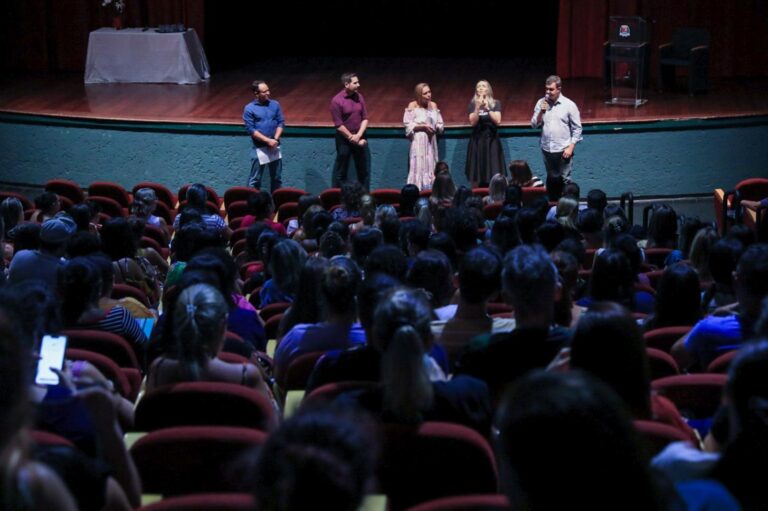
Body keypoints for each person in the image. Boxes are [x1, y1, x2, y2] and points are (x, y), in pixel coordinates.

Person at [531, 75, 583, 201]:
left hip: (563, 150)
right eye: (546, 89)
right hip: (546, 149)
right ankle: (552, 207)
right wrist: (541, 113)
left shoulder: (569, 105)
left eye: (551, 89)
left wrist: (571, 147)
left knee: (564, 180)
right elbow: (534, 124)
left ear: (559, 88)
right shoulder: (541, 103)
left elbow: (577, 128)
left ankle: (566, 207)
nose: (548, 92)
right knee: (551, 180)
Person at [243, 80, 285, 192]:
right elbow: (251, 130)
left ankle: (276, 206)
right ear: (256, 93)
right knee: (255, 180)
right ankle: (254, 206)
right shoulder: (249, 108)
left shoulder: (275, 104)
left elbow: (281, 122)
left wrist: (275, 139)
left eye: (268, 90)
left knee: (277, 178)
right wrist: (267, 141)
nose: (268, 93)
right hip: (259, 148)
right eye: (264, 91)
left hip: (275, 145)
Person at [330, 72, 370, 190]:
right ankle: (339, 199)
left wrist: (358, 135)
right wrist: (352, 138)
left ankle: (363, 198)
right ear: (346, 84)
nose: (359, 85)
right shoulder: (336, 101)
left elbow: (365, 118)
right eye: (355, 83)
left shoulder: (359, 97)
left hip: (359, 136)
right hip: (344, 139)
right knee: (341, 171)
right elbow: (339, 125)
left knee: (363, 171)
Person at [465, 80, 505, 188]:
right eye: (479, 86)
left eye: (483, 86)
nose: (481, 88)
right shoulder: (472, 104)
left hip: (491, 140)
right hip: (477, 140)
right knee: (477, 171)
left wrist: (488, 109)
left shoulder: (496, 103)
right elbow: (473, 122)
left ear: (488, 89)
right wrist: (477, 107)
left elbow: (498, 121)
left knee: (494, 169)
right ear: (476, 90)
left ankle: (495, 195)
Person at [404, 82, 444, 190]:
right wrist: (423, 127)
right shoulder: (412, 105)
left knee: (431, 166)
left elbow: (440, 123)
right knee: (419, 167)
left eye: (429, 92)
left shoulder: (433, 105)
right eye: (425, 93)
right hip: (419, 141)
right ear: (419, 95)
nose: (429, 95)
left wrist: (436, 128)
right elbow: (408, 126)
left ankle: (430, 191)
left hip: (431, 141)